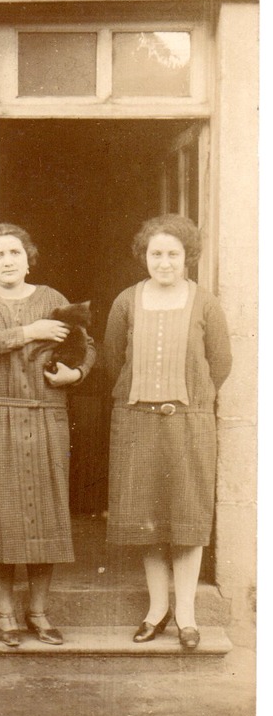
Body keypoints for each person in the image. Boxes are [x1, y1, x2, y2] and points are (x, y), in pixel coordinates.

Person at [0, 223, 96, 647]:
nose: (7, 261)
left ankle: (38, 612)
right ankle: (5, 615)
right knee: (0, 514)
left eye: (14, 253)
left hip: (44, 417)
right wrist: (29, 333)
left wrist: (76, 372)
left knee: (46, 514)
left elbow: (85, 344)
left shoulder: (51, 299)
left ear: (28, 257)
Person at [103, 215, 232, 652]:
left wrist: (193, 401)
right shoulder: (126, 300)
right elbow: (111, 357)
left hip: (188, 424)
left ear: (187, 257)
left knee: (187, 517)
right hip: (137, 425)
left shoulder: (205, 302)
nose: (164, 262)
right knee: (148, 519)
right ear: (144, 256)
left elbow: (221, 362)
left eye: (172, 254)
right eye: (155, 253)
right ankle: (156, 612)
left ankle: (187, 616)